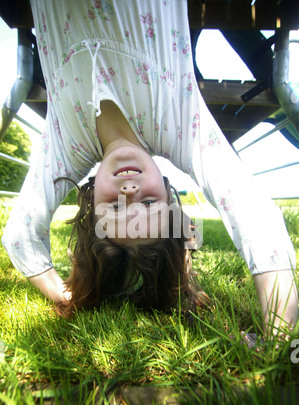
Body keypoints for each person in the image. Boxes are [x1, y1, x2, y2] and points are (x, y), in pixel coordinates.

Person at [2, 0, 298, 339]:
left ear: (90, 203)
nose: (129, 192)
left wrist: (71, 295)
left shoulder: (67, 144)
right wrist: (281, 338)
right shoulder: (181, 126)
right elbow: (255, 215)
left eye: (113, 208)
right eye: (148, 204)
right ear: (170, 197)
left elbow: (19, 238)